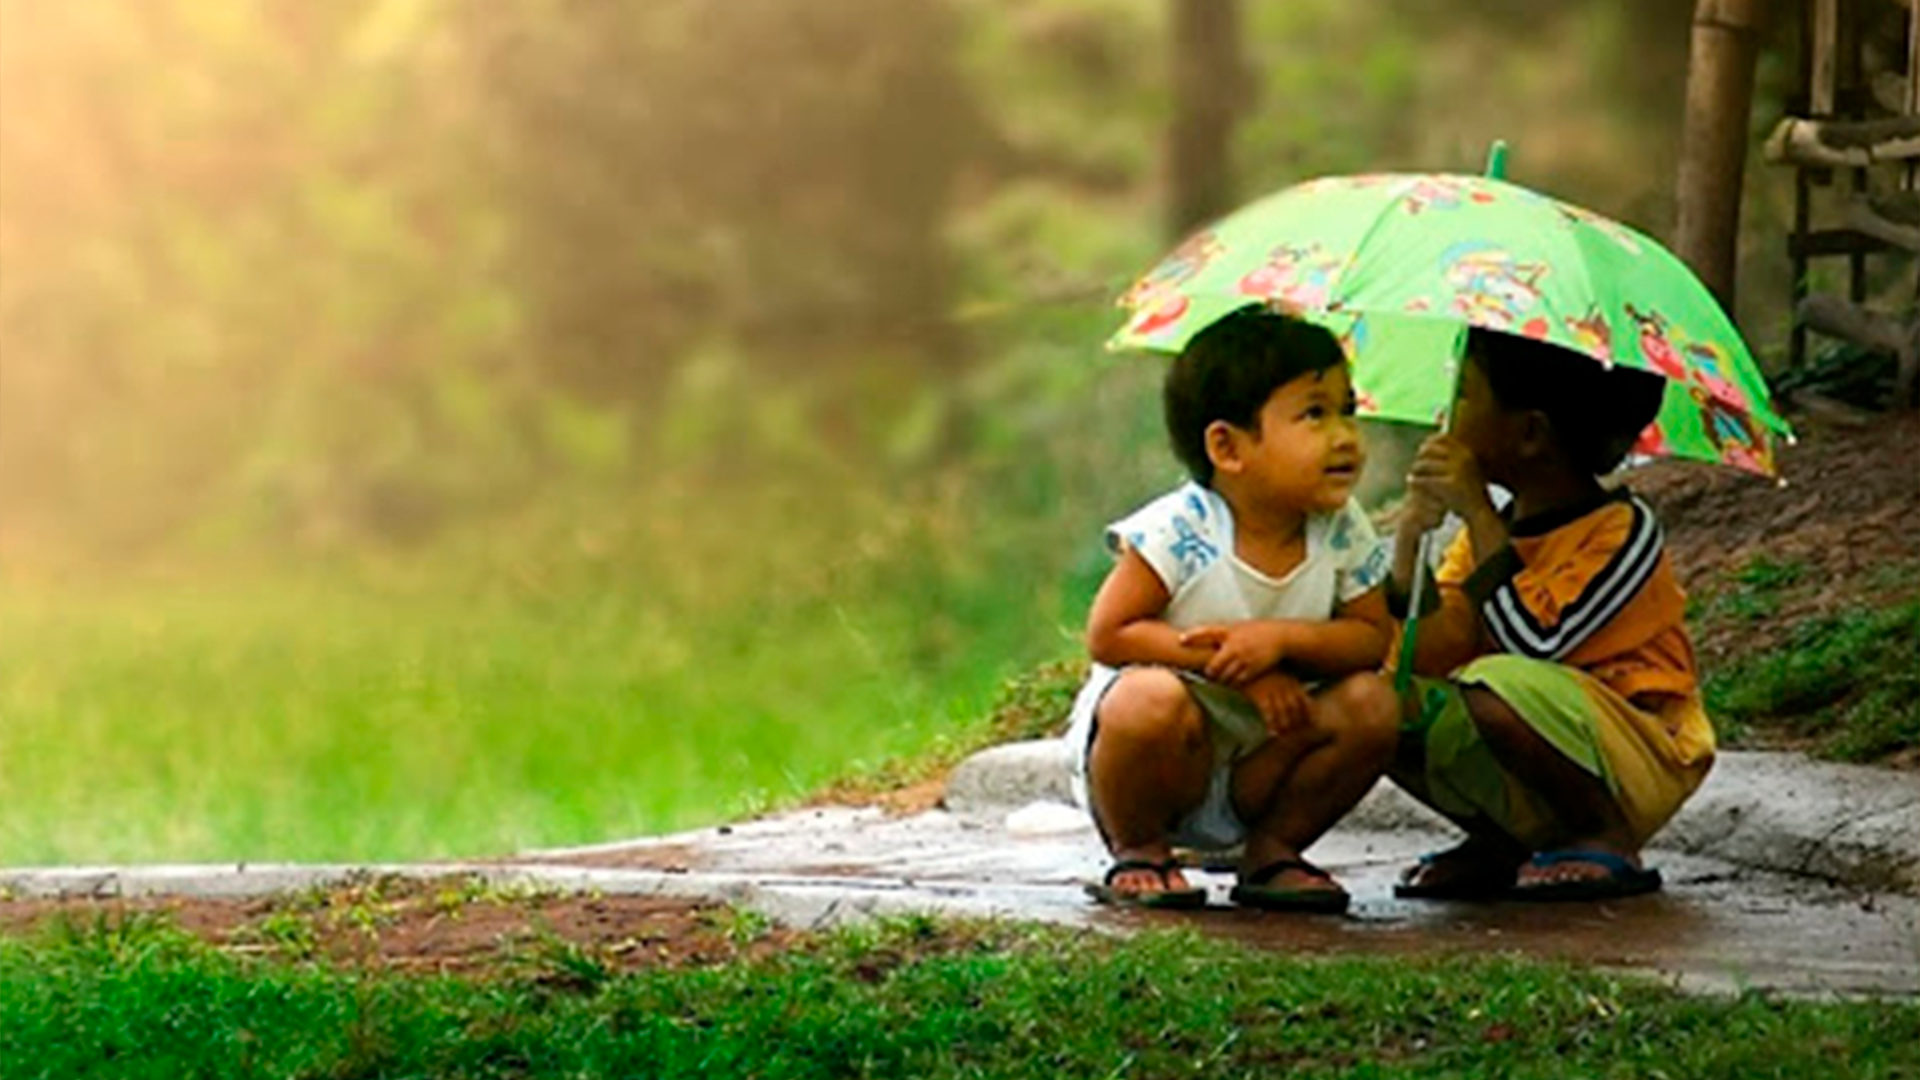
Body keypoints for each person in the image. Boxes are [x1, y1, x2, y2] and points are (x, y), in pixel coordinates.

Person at [1064, 306, 1400, 912]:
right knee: (1148, 700)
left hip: (1268, 756)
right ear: (1227, 445)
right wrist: (1243, 668)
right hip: (1161, 758)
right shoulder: (1180, 529)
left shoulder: (1340, 529)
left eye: (1349, 410)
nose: (1346, 435)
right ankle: (1140, 850)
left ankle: (1272, 853)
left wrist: (1281, 639)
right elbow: (1110, 634)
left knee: (1373, 706)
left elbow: (1371, 638)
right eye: (1315, 414)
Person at [1386, 326, 1709, 901]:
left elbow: (1534, 643)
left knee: (1497, 683)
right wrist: (1410, 543)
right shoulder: (1490, 534)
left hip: (1635, 757)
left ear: (1530, 433)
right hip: (1525, 723)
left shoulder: (1622, 532)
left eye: (1464, 393)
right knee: (1382, 702)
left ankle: (1604, 836)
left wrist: (1481, 516)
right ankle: (1501, 842)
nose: (1447, 409)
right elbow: (1429, 654)